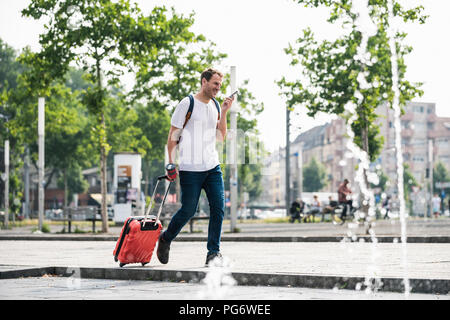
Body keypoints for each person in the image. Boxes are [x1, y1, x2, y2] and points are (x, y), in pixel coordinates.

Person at [156, 68, 234, 266]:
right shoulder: (187, 103)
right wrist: (171, 163)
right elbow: (173, 135)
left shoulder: (215, 105)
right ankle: (166, 238)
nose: (218, 88)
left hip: (212, 166)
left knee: (218, 208)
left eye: (220, 85)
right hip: (190, 168)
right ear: (204, 81)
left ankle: (213, 253)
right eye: (215, 83)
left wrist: (224, 111)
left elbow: (220, 136)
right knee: (188, 210)